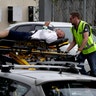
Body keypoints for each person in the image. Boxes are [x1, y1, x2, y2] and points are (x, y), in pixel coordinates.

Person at [65, 12, 96, 76]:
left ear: (76, 18)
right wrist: (67, 50)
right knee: (78, 66)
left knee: (94, 69)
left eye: (71, 19)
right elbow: (74, 41)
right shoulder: (73, 28)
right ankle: (86, 79)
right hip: (82, 51)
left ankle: (93, 82)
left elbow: (85, 38)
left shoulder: (84, 25)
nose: (70, 20)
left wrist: (79, 50)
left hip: (91, 51)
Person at [0, 21, 65, 44]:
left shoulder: (54, 36)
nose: (59, 29)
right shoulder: (53, 34)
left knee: (8, 32)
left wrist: (45, 26)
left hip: (30, 37)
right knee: (7, 35)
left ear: (60, 35)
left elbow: (44, 37)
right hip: (30, 35)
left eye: (61, 31)